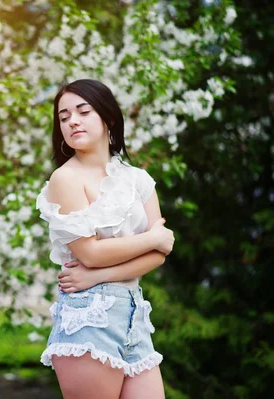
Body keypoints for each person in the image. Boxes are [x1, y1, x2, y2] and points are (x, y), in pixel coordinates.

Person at [36, 79, 175, 399]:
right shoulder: (65, 179)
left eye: (83, 111)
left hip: (134, 317)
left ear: (108, 118)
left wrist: (99, 274)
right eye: (64, 116)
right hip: (88, 317)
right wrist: (152, 238)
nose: (72, 120)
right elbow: (90, 253)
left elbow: (160, 254)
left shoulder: (138, 179)